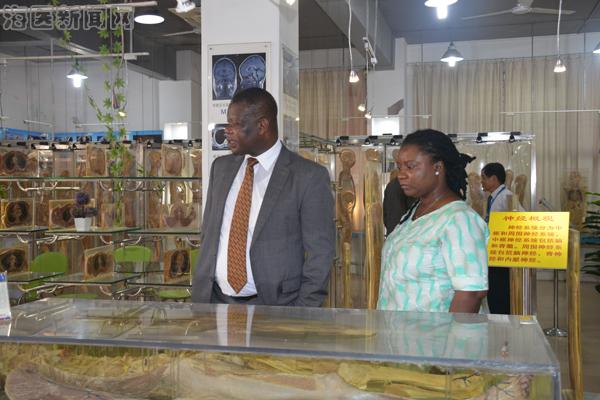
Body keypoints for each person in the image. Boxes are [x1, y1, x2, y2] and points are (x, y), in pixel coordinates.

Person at [192, 87, 335, 307]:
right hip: (214, 302)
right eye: (228, 123)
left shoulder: (307, 177)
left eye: (236, 124)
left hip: (275, 307)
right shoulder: (220, 168)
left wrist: (302, 313)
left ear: (262, 126)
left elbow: (320, 254)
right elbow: (209, 234)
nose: (227, 131)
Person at [377, 129, 488, 313]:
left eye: (410, 166)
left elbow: (471, 294)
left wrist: (454, 333)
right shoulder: (413, 213)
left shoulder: (459, 220)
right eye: (400, 167)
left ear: (437, 168)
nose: (401, 174)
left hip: (435, 331)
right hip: (397, 329)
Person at [481, 162, 524, 315]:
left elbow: (521, 218)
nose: (481, 182)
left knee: (500, 292)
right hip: (494, 251)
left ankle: (502, 321)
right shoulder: (494, 197)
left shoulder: (506, 197)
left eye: (483, 178)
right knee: (494, 291)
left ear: (493, 179)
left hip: (502, 254)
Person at [383, 150, 415, 236]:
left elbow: (386, 216)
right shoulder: (408, 185)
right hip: (403, 235)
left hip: (394, 234)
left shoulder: (391, 184)